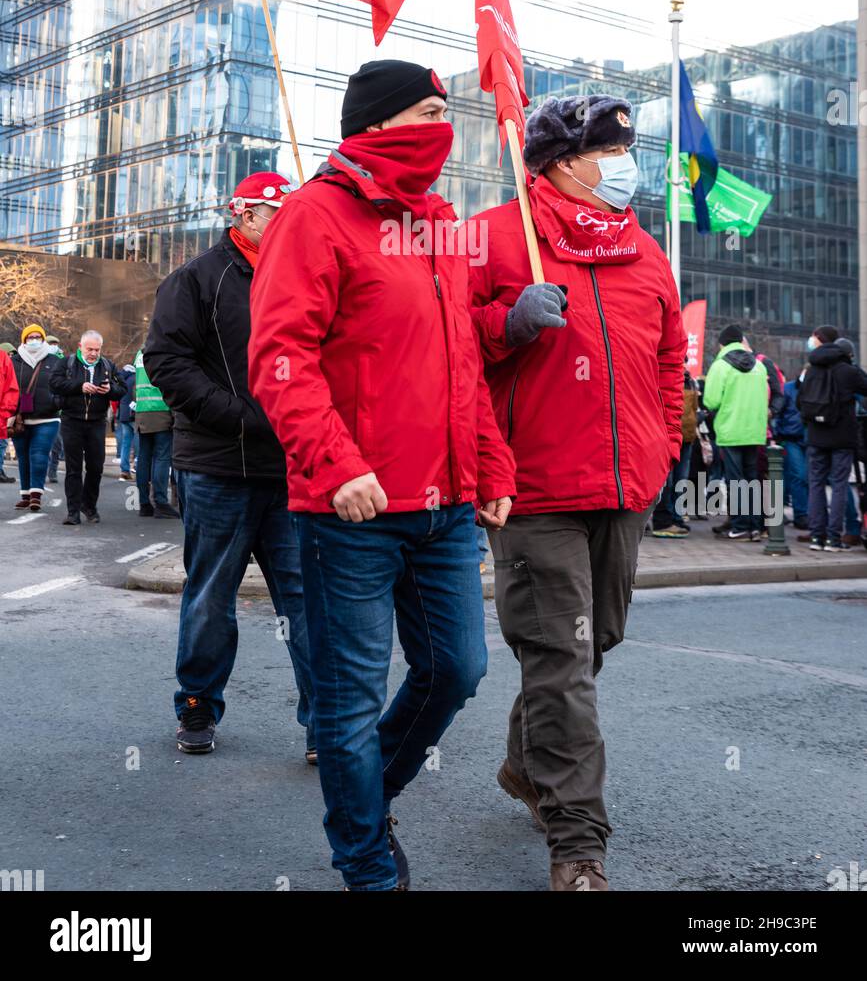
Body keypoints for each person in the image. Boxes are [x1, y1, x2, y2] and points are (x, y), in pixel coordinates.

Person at [249, 60, 516, 892]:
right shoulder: (313, 215)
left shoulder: (439, 226)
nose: (443, 126)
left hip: (445, 507)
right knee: (349, 697)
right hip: (351, 512)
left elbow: (461, 364)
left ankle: (369, 796)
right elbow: (280, 355)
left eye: (447, 110)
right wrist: (335, 465)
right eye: (429, 111)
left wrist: (490, 465)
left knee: (456, 671)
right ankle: (365, 860)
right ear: (379, 122)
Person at [469, 93, 685, 892]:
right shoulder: (496, 236)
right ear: (562, 163)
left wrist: (660, 448)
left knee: (593, 645)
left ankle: (527, 764)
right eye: (610, 151)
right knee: (560, 658)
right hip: (532, 488)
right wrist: (506, 322)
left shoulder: (644, 249)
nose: (627, 165)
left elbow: (668, 362)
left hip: (626, 487)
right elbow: (450, 348)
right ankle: (577, 844)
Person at [144, 172, 314, 759]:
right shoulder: (196, 279)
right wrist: (241, 416)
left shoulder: (306, 277)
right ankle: (197, 702)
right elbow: (166, 361)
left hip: (294, 470)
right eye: (276, 216)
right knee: (211, 593)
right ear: (241, 214)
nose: (288, 227)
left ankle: (325, 722)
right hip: (218, 466)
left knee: (307, 601)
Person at [798, 327, 867, 552]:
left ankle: (817, 537)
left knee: (816, 485)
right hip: (842, 436)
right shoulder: (847, 370)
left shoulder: (811, 370)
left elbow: (800, 401)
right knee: (839, 485)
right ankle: (833, 539)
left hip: (816, 435)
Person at [702, 325, 770, 540]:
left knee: (736, 480)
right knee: (753, 479)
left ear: (721, 344)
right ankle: (756, 525)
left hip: (730, 431)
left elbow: (711, 400)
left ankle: (740, 526)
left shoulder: (720, 366)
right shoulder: (759, 366)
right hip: (755, 431)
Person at [51, 330, 126, 525]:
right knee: (73, 469)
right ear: (80, 347)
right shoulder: (66, 363)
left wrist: (110, 390)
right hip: (71, 420)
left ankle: (89, 505)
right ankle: (73, 512)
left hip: (96, 422)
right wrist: (80, 386)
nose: (93, 353)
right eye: (89, 349)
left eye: (97, 349)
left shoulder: (108, 365)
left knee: (96, 467)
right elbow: (54, 384)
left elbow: (122, 389)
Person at [8, 325, 64, 513]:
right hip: (20, 418)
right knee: (23, 457)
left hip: (47, 418)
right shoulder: (14, 361)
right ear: (23, 340)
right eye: (30, 337)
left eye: (37, 337)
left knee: (39, 455)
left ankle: (36, 496)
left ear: (43, 339)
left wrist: (56, 402)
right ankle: (25, 495)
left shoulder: (55, 360)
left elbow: (62, 385)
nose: (34, 340)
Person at [652, 365, 699, 537]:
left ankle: (676, 518)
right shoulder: (665, 375)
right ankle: (664, 520)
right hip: (671, 435)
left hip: (685, 436)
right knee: (669, 481)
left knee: (679, 480)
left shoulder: (689, 381)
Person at [133, 348, 178, 519]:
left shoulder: (140, 353)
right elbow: (169, 383)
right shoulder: (162, 351)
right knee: (162, 457)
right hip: (161, 410)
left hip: (142, 411)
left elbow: (136, 385)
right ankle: (161, 502)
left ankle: (144, 504)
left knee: (144, 458)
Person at [773, 370, 809, 534]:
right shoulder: (788, 389)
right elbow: (778, 411)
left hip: (808, 438)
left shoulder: (810, 387)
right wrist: (777, 434)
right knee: (798, 475)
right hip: (791, 437)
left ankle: (802, 513)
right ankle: (801, 514)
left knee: (798, 477)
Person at [44, 336, 66, 482]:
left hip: (59, 411)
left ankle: (53, 471)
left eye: (55, 344)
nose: (54, 346)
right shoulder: (40, 360)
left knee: (57, 444)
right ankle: (44, 470)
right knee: (43, 445)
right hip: (42, 409)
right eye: (51, 343)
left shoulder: (64, 362)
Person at [0, 343, 19, 483]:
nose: (11, 356)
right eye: (9, 354)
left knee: (2, 443)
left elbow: (12, 390)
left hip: (4, 413)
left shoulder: (7, 362)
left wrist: (5, 413)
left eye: (13, 354)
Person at [116, 364, 137, 480]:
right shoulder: (135, 379)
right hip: (134, 414)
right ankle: (137, 467)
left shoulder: (122, 379)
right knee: (138, 443)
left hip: (123, 414)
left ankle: (124, 470)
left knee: (126, 443)